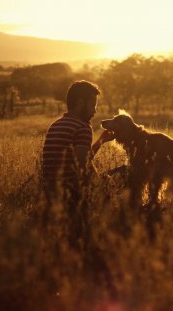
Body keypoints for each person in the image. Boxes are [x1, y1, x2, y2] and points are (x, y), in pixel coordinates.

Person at [41, 80, 114, 247]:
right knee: (120, 177)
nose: (95, 110)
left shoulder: (56, 124)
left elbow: (75, 159)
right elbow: (82, 166)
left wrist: (101, 141)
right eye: (93, 105)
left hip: (51, 193)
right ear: (81, 103)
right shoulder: (82, 127)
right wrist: (102, 186)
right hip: (72, 195)